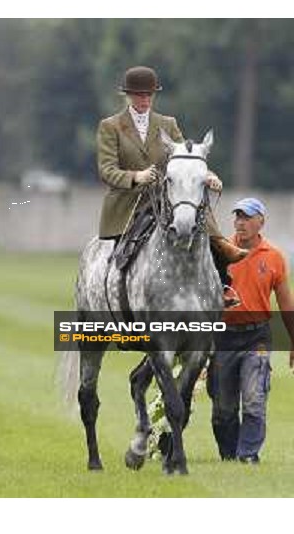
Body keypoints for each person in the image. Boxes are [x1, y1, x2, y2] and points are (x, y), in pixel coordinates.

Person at [96, 65, 247, 270]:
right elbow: (107, 170)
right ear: (128, 95)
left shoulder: (168, 123)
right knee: (121, 260)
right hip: (128, 202)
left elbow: (187, 158)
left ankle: (219, 248)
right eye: (140, 95)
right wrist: (136, 176)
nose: (145, 100)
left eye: (149, 95)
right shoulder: (110, 126)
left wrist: (209, 176)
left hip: (164, 195)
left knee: (195, 198)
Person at [208, 197, 294, 464]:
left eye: (247, 217)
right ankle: (229, 455)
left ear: (261, 222)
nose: (240, 223)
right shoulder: (220, 250)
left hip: (257, 337)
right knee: (224, 409)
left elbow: (286, 302)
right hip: (223, 337)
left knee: (255, 401)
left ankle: (248, 456)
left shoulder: (274, 257)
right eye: (237, 217)